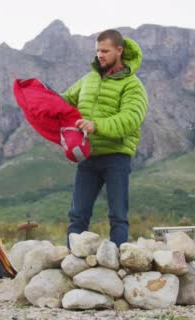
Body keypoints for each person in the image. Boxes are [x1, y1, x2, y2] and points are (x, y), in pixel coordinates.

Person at [61, 29, 148, 247]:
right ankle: (73, 260)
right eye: (98, 50)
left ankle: (118, 262)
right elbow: (65, 102)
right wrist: (39, 96)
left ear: (119, 51)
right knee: (78, 213)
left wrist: (96, 126)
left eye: (105, 51)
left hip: (116, 157)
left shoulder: (133, 85)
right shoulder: (88, 79)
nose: (100, 55)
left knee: (118, 214)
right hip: (88, 155)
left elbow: (130, 119)